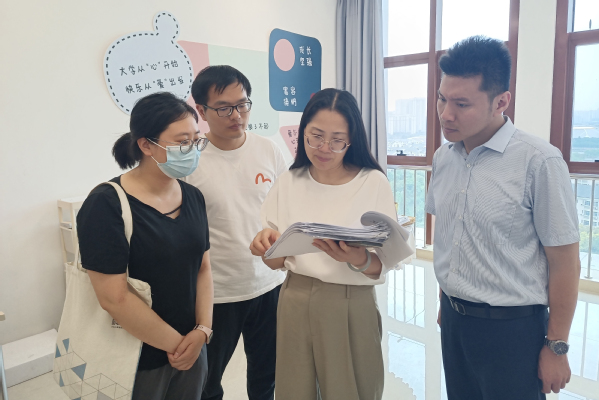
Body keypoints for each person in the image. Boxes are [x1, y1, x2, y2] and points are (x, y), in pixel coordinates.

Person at [426, 36, 580, 399]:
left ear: (501, 101)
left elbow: (564, 262)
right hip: (455, 322)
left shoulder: (539, 162)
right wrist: (446, 300)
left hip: (512, 332)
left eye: (462, 104)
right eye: (442, 98)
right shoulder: (443, 158)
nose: (446, 114)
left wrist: (557, 346)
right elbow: (451, 239)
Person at [250, 88, 405, 400]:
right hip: (295, 297)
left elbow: (383, 264)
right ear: (303, 132)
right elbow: (276, 261)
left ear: (352, 140)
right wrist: (263, 246)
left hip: (351, 301)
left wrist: (357, 258)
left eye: (337, 140)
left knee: (352, 390)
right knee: (294, 391)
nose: (324, 148)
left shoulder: (372, 182)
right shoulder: (290, 180)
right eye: (316, 136)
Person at [77, 92, 214, 400]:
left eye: (197, 140)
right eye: (183, 142)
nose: (193, 150)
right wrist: (179, 346)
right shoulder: (106, 204)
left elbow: (203, 269)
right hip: (134, 357)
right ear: (146, 145)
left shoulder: (193, 197)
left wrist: (203, 331)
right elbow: (113, 298)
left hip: (192, 347)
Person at [185, 65, 287, 400]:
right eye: (224, 108)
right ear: (201, 111)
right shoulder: (190, 160)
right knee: (207, 382)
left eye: (242, 104)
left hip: (269, 283)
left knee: (266, 376)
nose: (237, 115)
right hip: (218, 293)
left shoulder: (268, 149)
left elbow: (287, 206)